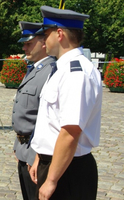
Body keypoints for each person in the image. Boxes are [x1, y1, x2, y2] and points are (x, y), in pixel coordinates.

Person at [29, 6, 102, 200]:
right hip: (55, 164)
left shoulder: (75, 73)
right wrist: (40, 157)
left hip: (67, 171)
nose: (43, 40)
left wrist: (52, 180)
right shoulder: (61, 69)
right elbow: (51, 121)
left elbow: (70, 131)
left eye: (46, 34)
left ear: (59, 34)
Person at [12, 21, 56, 200]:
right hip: (24, 150)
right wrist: (18, 147)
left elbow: (46, 118)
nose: (24, 47)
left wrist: (34, 156)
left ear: (43, 42)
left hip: (35, 154)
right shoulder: (35, 69)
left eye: (28, 43)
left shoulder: (52, 70)